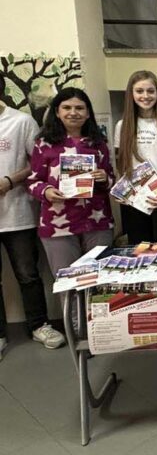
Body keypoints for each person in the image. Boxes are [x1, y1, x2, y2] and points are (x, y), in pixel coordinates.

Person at [26, 89, 115, 282]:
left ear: (88, 113)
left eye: (79, 108)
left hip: (97, 222)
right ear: (57, 112)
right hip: (58, 225)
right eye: (67, 108)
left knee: (99, 283)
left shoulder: (99, 143)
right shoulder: (44, 144)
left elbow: (111, 181)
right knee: (68, 285)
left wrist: (104, 178)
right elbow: (33, 181)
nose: (73, 112)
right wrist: (47, 191)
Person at [0, 104, 65, 359]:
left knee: (28, 275)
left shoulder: (22, 121)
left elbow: (37, 164)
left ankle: (39, 325)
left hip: (18, 214)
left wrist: (9, 181)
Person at [114, 70, 157, 244]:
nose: (145, 96)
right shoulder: (122, 126)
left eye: (150, 91)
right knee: (140, 253)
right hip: (136, 202)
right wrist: (122, 191)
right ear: (131, 94)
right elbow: (121, 164)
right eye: (139, 91)